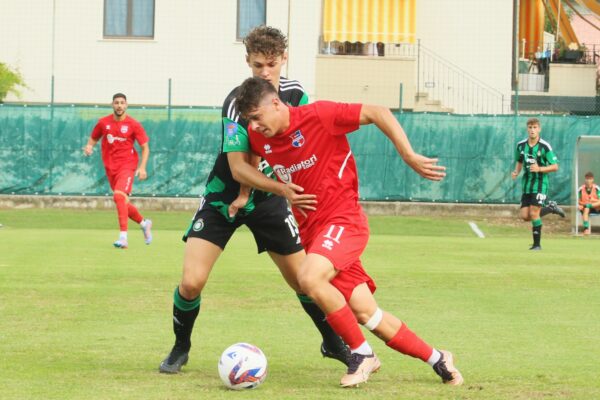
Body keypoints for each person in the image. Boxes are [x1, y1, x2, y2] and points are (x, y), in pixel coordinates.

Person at [232, 76, 464, 388]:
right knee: (368, 315)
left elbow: (378, 111)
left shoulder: (319, 116)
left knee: (308, 278)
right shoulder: (258, 135)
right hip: (315, 235)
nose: (255, 127)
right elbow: (245, 167)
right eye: (250, 121)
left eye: (257, 118)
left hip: (344, 220)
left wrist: (407, 154)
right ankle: (439, 358)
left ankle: (361, 354)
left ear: (276, 103)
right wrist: (275, 190)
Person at [158, 26, 349, 374]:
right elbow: (237, 169)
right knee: (191, 282)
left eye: (271, 65)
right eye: (258, 65)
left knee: (305, 280)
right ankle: (180, 347)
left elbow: (306, 143)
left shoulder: (296, 95)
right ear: (248, 61)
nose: (265, 73)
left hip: (271, 199)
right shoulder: (236, 103)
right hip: (224, 196)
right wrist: (275, 191)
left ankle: (332, 342)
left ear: (283, 60)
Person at [84, 93, 152, 249]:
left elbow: (145, 147)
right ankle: (144, 223)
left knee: (118, 196)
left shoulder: (133, 124)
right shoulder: (103, 123)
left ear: (126, 105)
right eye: (116, 103)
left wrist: (142, 167)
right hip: (110, 167)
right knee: (121, 200)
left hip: (127, 165)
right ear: (112, 105)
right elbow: (93, 138)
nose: (119, 105)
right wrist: (89, 146)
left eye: (122, 103)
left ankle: (123, 238)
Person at [511, 118, 565, 250]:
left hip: (541, 184)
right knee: (525, 216)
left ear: (539, 129)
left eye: (535, 127)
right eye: (530, 127)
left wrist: (539, 169)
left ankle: (537, 245)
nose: (532, 130)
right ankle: (551, 208)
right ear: (527, 129)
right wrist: (516, 172)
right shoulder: (521, 145)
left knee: (534, 214)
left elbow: (555, 166)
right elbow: (519, 160)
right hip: (527, 185)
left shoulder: (545, 146)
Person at [577, 171, 600, 235]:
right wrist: (581, 205)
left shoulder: (597, 188)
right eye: (587, 179)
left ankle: (589, 205)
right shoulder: (581, 189)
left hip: (596, 207)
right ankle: (586, 229)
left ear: (593, 179)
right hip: (585, 207)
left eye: (589, 179)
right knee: (586, 208)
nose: (588, 181)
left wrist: (594, 200)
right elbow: (578, 201)